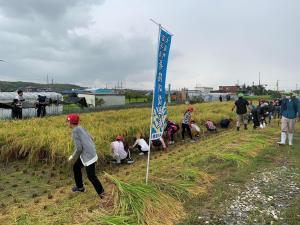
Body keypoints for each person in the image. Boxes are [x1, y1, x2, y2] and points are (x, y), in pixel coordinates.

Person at [66, 114, 105, 198]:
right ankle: (80, 187)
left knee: (91, 176)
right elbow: (92, 137)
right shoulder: (80, 127)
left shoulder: (75, 131)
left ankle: (102, 193)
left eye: (68, 121)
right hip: (91, 152)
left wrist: (72, 157)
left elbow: (79, 149)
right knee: (76, 166)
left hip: (88, 156)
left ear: (70, 122)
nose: (67, 123)